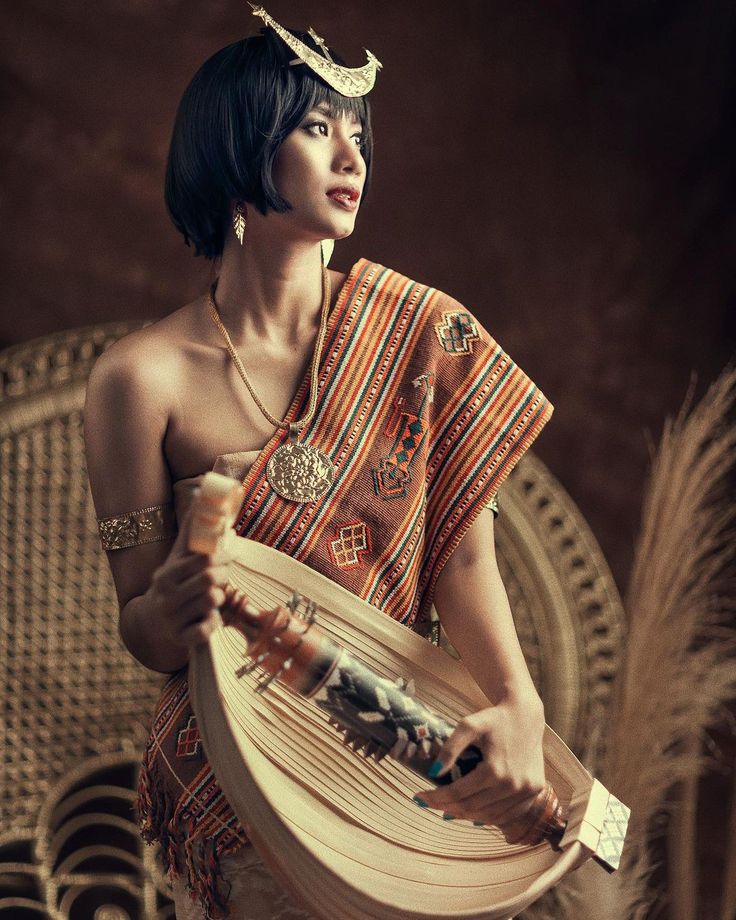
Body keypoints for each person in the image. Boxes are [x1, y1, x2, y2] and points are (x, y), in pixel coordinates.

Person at [84, 8, 554, 919]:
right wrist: (170, 607)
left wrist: (520, 713)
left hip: (397, 764)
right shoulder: (136, 381)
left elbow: (463, 558)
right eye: (315, 128)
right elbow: (141, 628)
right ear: (237, 148)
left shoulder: (420, 334)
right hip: (241, 776)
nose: (352, 158)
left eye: (357, 135)